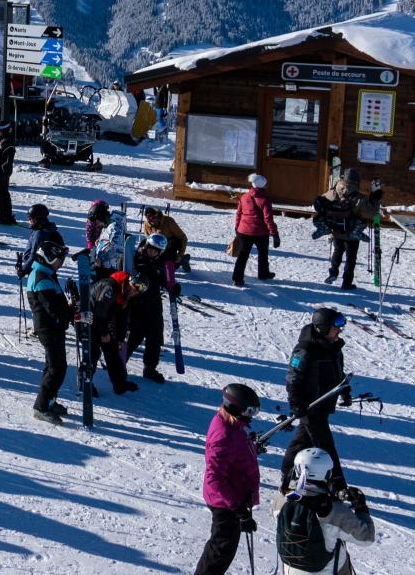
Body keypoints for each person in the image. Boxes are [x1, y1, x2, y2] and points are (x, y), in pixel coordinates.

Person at [192, 383, 263, 575]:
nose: (252, 416)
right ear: (235, 408)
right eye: (250, 411)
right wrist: (239, 509)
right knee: (220, 551)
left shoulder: (234, 425)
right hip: (226, 503)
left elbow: (237, 451)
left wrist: (253, 447)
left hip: (235, 497)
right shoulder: (222, 434)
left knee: (224, 550)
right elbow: (215, 478)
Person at [281, 308, 351, 494]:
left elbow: (338, 373)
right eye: (336, 327)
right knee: (325, 445)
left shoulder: (333, 347)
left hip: (323, 404)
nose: (340, 330)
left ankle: (286, 473)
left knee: (301, 441)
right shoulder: (305, 349)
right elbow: (293, 378)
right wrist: (296, 402)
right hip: (310, 406)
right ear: (323, 328)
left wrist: (344, 389)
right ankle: (338, 487)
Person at [275, 448, 376, 574]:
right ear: (327, 474)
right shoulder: (334, 511)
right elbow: (366, 538)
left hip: (291, 569)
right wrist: (361, 507)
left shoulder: (283, 499)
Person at [21, 209, 72, 424]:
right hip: (48, 327)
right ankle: (41, 407)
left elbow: (57, 304)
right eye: (58, 260)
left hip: (54, 326)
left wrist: (69, 308)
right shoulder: (41, 277)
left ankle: (49, 400)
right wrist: (70, 312)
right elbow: (53, 308)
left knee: (52, 366)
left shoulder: (46, 273)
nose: (60, 263)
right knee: (57, 368)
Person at [313, 170, 381, 290]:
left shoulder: (332, 192)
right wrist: (375, 199)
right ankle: (346, 283)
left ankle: (333, 273)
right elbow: (372, 213)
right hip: (353, 232)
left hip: (336, 229)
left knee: (337, 251)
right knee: (351, 257)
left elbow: (321, 202)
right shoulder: (359, 198)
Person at [126, 233, 175, 383]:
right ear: (146, 246)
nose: (153, 252)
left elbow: (167, 280)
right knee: (134, 337)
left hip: (154, 305)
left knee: (155, 339)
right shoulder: (136, 259)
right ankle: (118, 363)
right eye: (151, 249)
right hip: (137, 305)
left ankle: (150, 368)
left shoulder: (161, 263)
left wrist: (173, 287)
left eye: (156, 251)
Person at [88, 262, 142, 396]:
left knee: (112, 350)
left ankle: (119, 383)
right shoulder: (111, 287)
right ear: (129, 282)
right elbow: (99, 312)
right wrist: (104, 333)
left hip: (101, 321)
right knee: (92, 352)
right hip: (88, 318)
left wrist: (119, 339)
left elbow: (122, 318)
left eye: (138, 290)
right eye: (134, 287)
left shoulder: (126, 296)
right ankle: (85, 382)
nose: (134, 291)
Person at [233, 173, 280, 286]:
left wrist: (237, 227)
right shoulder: (265, 199)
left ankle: (237, 279)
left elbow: (239, 213)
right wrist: (274, 233)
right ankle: (263, 273)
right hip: (260, 233)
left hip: (243, 231)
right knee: (263, 253)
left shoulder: (244, 197)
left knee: (243, 255)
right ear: (263, 185)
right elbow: (268, 219)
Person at [142, 206, 190, 276]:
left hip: (170, 246)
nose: (150, 221)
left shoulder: (169, 221)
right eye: (148, 218)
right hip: (156, 247)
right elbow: (147, 238)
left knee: (170, 267)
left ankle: (183, 260)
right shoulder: (147, 224)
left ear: (157, 215)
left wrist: (180, 254)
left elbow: (183, 237)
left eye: (152, 217)